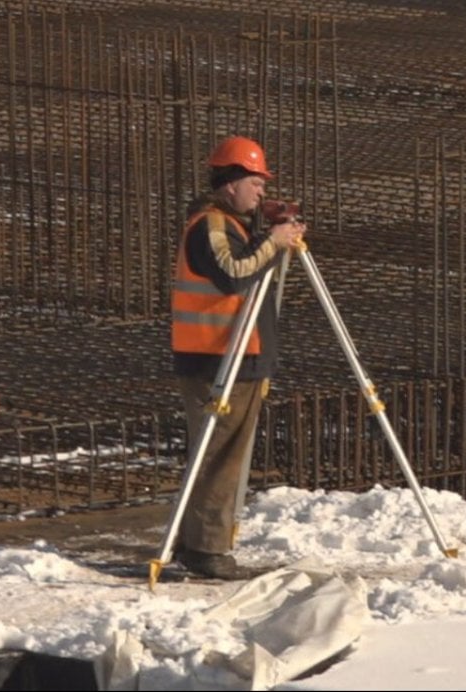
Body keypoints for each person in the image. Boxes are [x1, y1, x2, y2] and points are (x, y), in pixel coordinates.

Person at [169, 135, 306, 579]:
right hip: (217, 358)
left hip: (235, 355)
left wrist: (271, 239)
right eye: (255, 181)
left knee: (221, 453)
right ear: (231, 183)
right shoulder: (211, 224)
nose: (262, 190)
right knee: (219, 455)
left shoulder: (233, 224)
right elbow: (232, 274)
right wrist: (273, 242)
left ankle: (200, 543)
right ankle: (206, 549)